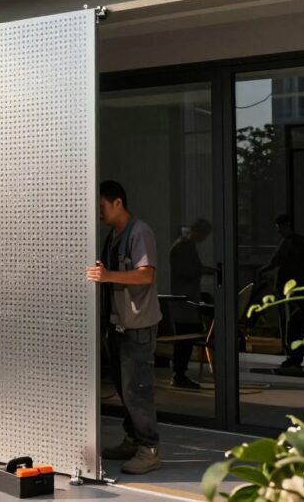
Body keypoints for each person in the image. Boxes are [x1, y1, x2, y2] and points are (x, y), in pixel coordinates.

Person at [87, 181, 162, 475]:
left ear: (118, 203)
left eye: (102, 206)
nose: (99, 213)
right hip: (118, 325)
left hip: (137, 327)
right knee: (124, 388)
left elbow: (145, 276)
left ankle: (149, 449)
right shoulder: (113, 235)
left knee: (137, 391)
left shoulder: (139, 232)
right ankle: (133, 440)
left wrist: (107, 276)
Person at [258, 214, 304, 372]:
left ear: (287, 226)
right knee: (298, 320)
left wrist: (261, 271)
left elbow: (275, 261)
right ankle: (298, 353)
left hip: (291, 289)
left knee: (292, 321)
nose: (279, 232)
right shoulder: (299, 242)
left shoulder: (289, 242)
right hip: (296, 288)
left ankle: (294, 354)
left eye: (280, 228)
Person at [168, 219, 215, 389]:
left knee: (186, 337)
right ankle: (179, 373)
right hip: (184, 301)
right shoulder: (183, 247)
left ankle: (180, 372)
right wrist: (204, 270)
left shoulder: (187, 246)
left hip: (188, 301)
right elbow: (187, 272)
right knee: (184, 338)